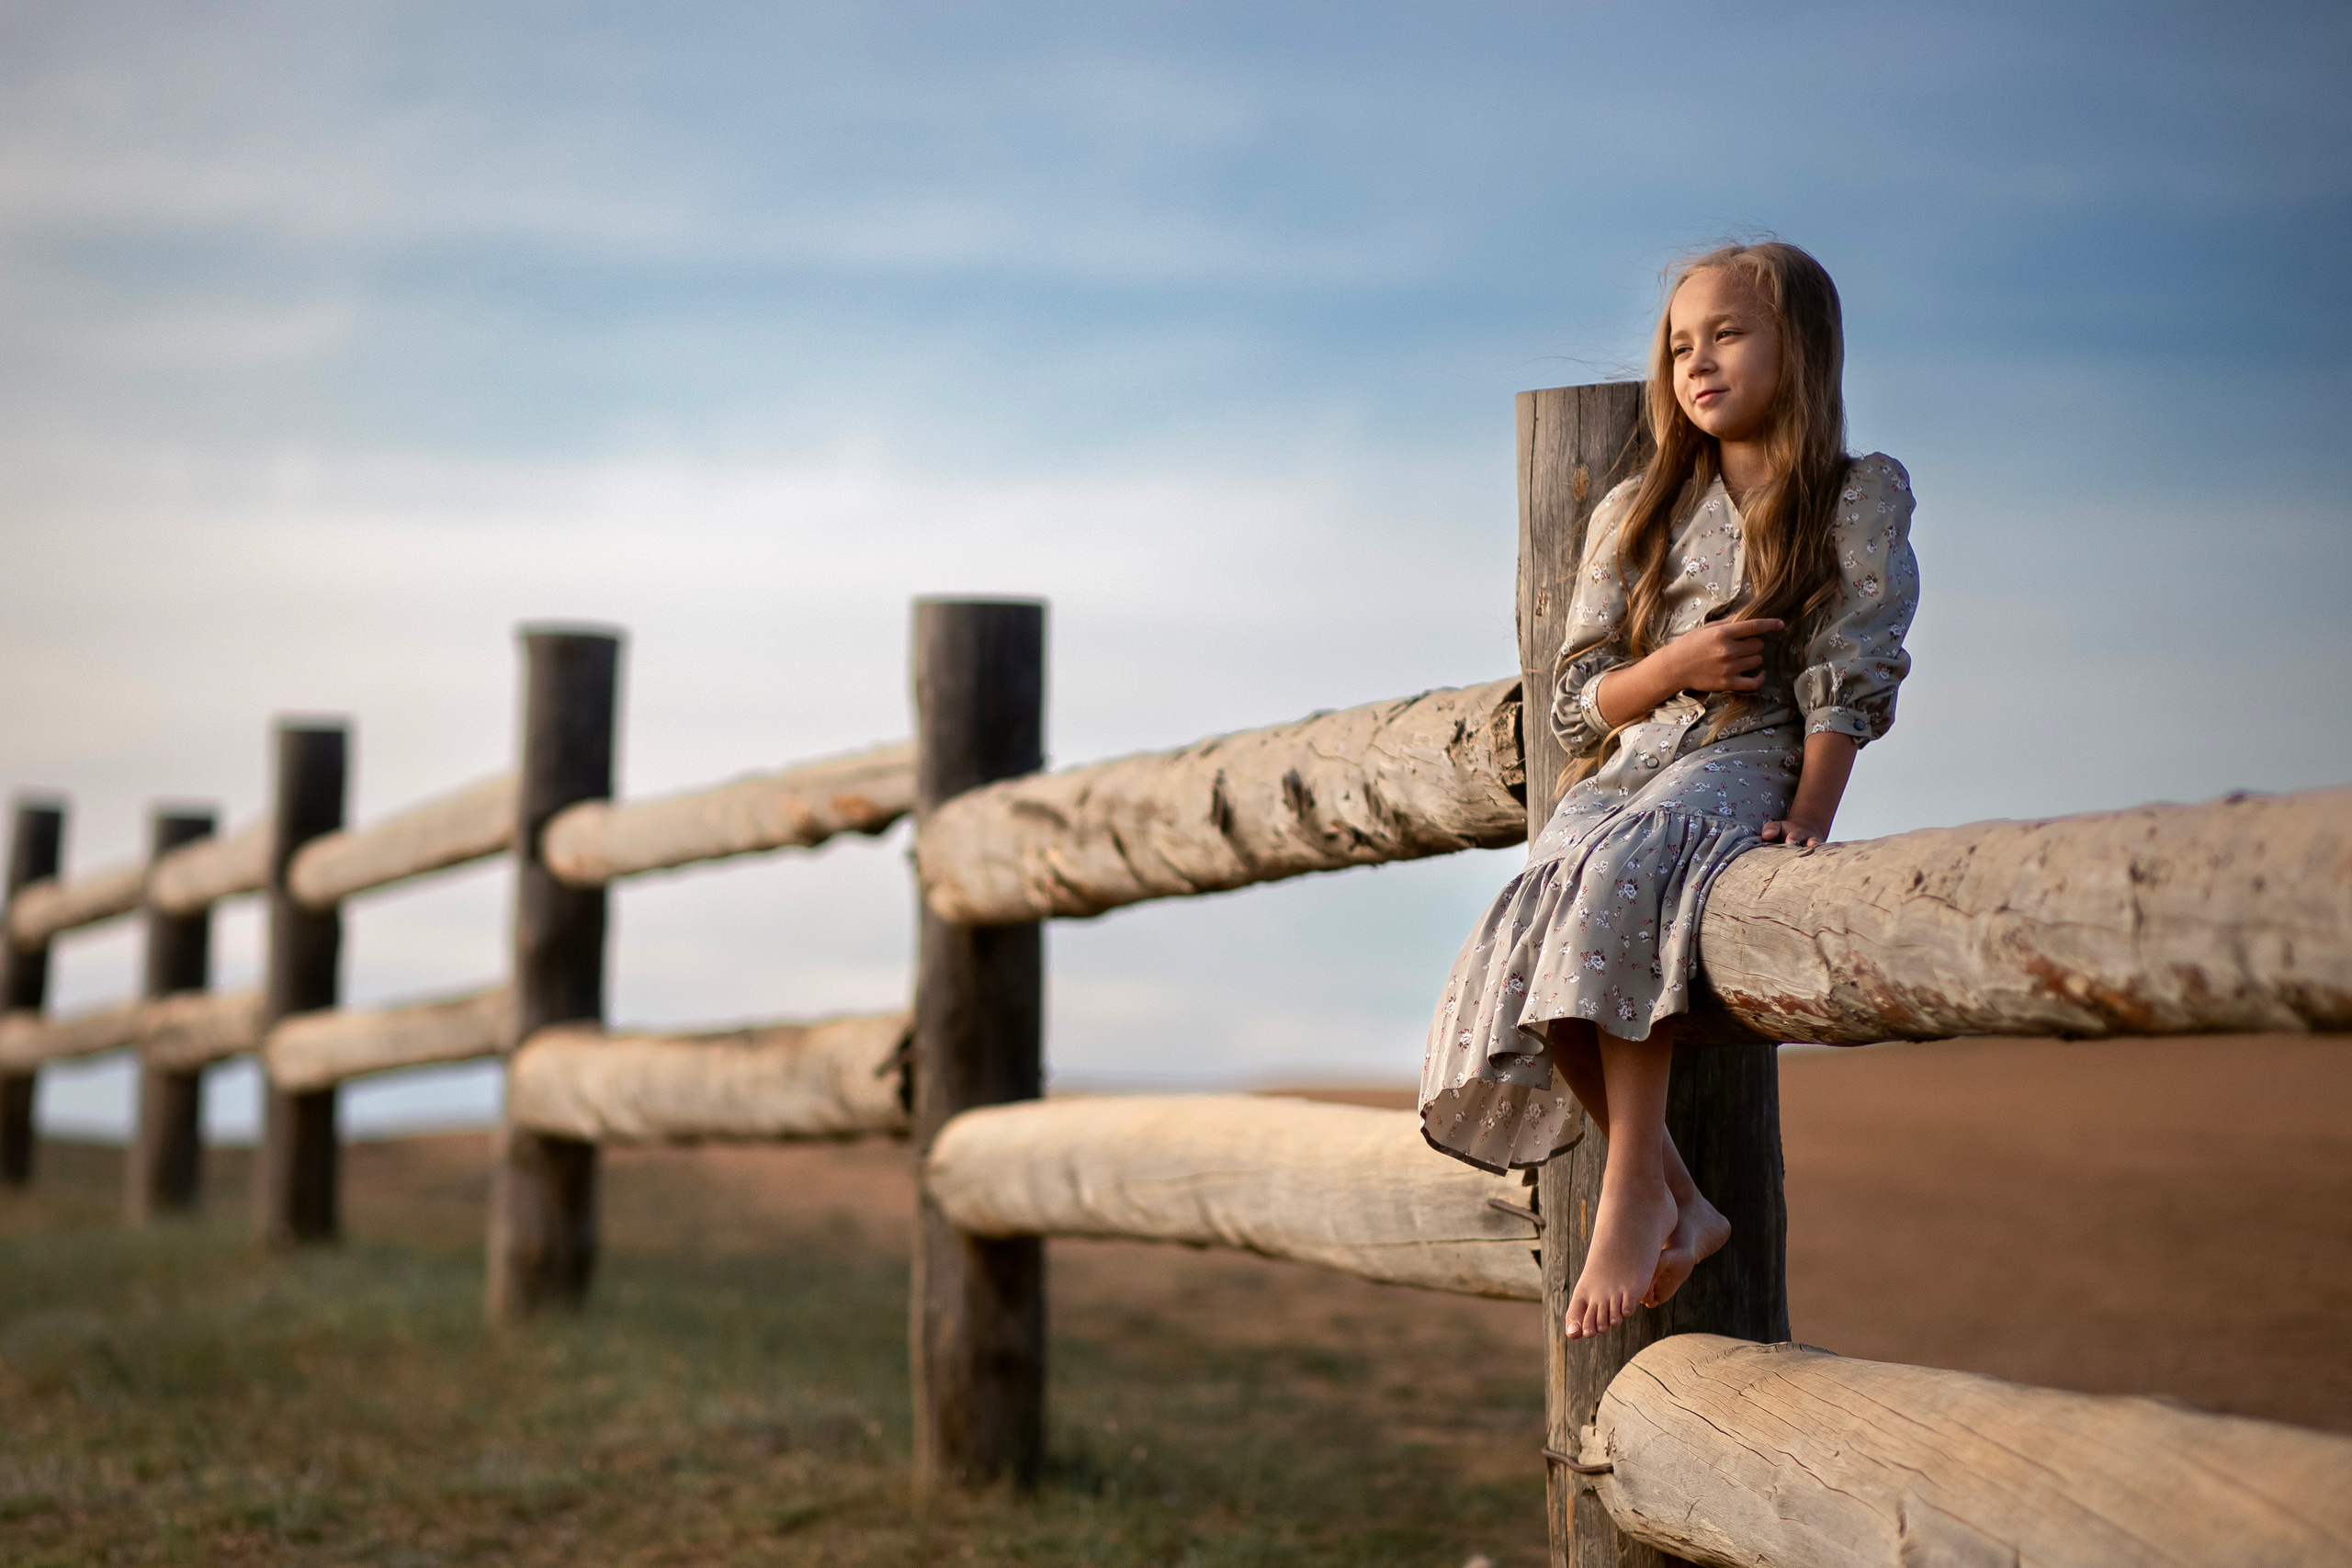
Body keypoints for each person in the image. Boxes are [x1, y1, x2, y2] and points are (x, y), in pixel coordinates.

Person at [1419, 241, 1919, 1340]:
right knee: (1531, 916)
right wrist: (1672, 669)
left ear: (1804, 348)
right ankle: (1676, 1200)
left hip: (1748, 757)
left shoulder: (1853, 493)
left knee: (1618, 872)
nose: (1698, 362)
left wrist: (1813, 813)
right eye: (1680, 344)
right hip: (1631, 764)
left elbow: (1852, 664)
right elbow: (1573, 704)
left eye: (1728, 335)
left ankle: (1634, 1189)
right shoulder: (1636, 509)